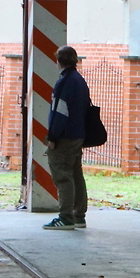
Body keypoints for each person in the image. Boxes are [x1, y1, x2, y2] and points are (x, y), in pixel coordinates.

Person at [43, 45, 89, 230]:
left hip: (65, 136)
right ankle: (79, 215)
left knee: (62, 176)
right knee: (76, 175)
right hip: (78, 134)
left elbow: (59, 112)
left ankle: (66, 217)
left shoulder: (64, 82)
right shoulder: (79, 80)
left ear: (58, 61)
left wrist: (52, 137)